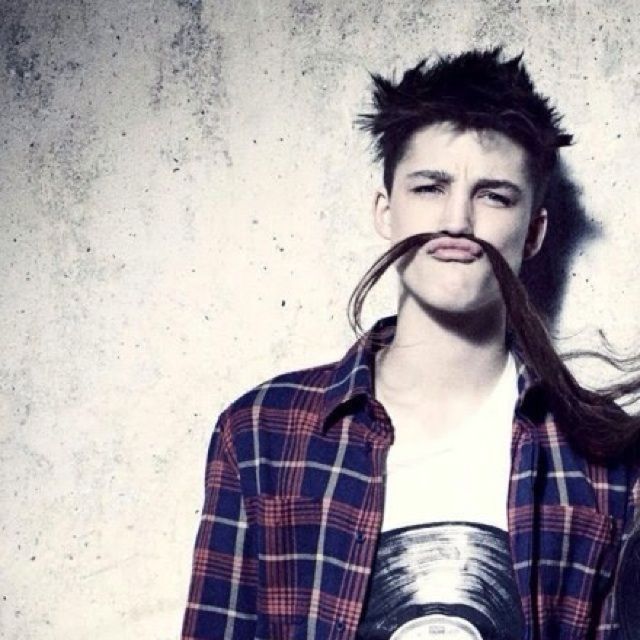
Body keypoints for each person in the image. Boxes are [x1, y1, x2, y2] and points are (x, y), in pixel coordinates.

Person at [181, 48, 640, 640]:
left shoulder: (603, 456)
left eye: (494, 196)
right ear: (385, 210)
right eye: (429, 187)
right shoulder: (261, 434)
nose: (457, 221)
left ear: (534, 233)